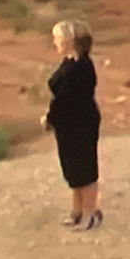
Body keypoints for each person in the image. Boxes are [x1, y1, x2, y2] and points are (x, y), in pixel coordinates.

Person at [42, 20, 103, 231]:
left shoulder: (82, 67)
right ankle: (77, 211)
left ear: (70, 40)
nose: (54, 41)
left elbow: (67, 99)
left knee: (85, 168)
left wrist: (51, 118)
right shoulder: (69, 62)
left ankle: (89, 213)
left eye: (58, 37)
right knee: (73, 169)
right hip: (68, 124)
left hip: (81, 123)